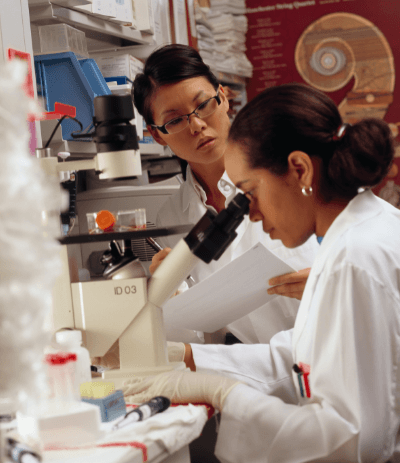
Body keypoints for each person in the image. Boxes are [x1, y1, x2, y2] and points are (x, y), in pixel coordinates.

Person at [122, 83, 400, 462]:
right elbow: (305, 360)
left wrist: (227, 395)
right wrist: (187, 359)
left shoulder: (353, 259)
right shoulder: (361, 232)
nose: (249, 213)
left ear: (299, 170)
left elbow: (355, 443)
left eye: (249, 192)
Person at [133, 44, 319, 344]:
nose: (196, 125)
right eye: (174, 120)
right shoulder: (169, 218)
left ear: (223, 97)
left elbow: (369, 256)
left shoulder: (294, 168)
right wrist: (168, 291)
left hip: (324, 351)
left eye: (204, 104)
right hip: (242, 373)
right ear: (156, 134)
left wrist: (334, 284)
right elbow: (193, 330)